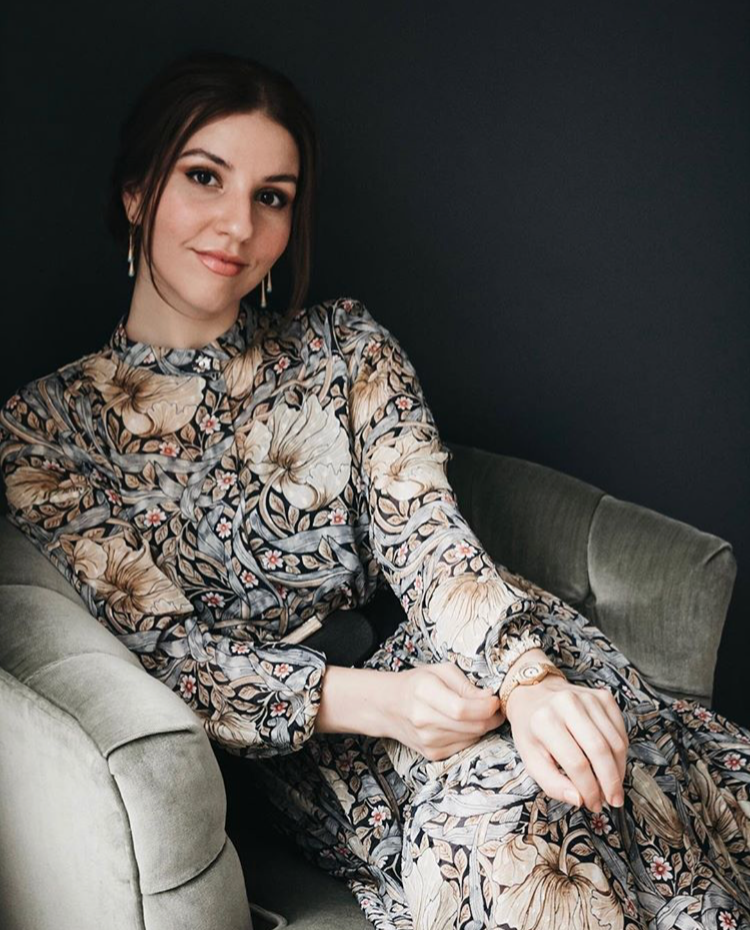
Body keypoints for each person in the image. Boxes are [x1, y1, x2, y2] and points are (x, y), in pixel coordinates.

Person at [0, 48, 748, 930]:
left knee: (622, 771)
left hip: (478, 644)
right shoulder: (45, 430)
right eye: (206, 177)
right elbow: (175, 659)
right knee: (524, 836)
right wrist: (379, 705)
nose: (237, 224)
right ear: (137, 195)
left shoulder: (343, 347)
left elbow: (428, 538)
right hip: (331, 742)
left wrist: (533, 678)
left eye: (271, 196)